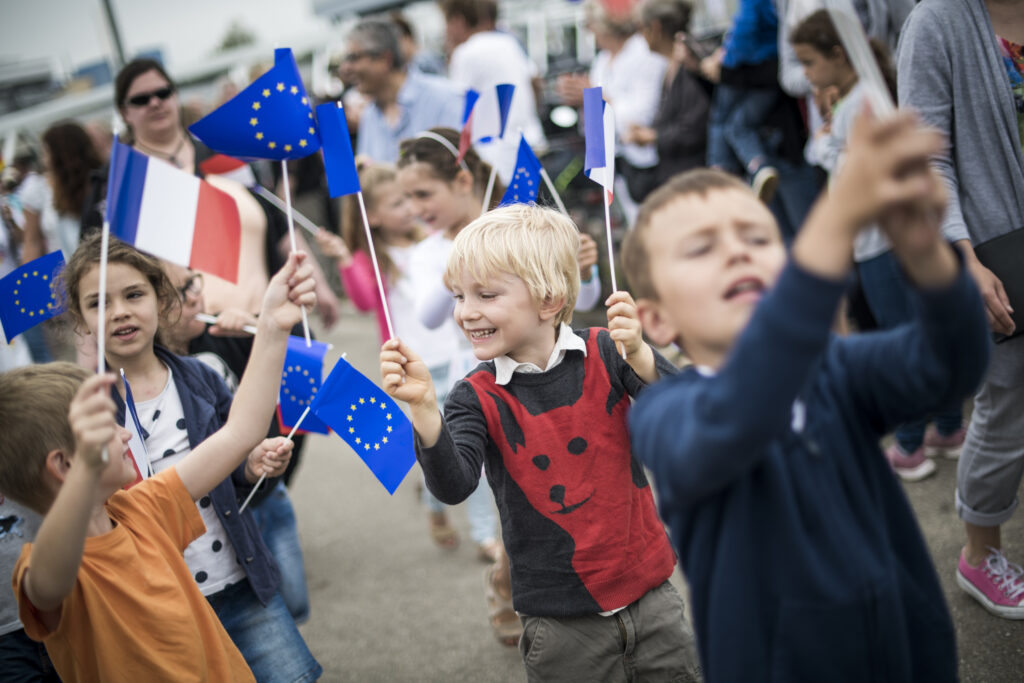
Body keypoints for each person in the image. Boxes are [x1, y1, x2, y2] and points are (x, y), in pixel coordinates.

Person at [621, 108, 990, 680]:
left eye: (757, 237)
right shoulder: (665, 415)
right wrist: (837, 218)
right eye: (701, 248)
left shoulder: (833, 369)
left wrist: (926, 255)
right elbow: (739, 414)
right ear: (658, 320)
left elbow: (949, 368)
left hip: (911, 656)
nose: (738, 252)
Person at [380, 204, 702, 681]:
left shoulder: (608, 351)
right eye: (458, 296)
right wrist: (425, 409)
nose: (465, 312)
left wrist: (641, 356)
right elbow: (453, 485)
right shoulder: (474, 395)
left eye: (485, 294)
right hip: (559, 623)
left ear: (549, 300)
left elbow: (682, 416)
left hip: (652, 598)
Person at [0, 250, 317, 682]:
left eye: (133, 294)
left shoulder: (143, 507)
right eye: (106, 431)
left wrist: (273, 326)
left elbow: (240, 432)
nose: (127, 433)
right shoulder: (53, 570)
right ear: (67, 464)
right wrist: (87, 475)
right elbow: (49, 582)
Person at [791, 10, 962, 481]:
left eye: (808, 62)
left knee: (898, 339)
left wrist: (828, 138)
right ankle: (947, 426)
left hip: (880, 246)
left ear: (838, 55)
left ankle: (910, 443)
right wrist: (827, 127)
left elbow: (848, 175)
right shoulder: (851, 99)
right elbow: (827, 156)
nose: (805, 73)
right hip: (877, 245)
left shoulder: (863, 102)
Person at [897, 0, 1024, 619]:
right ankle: (979, 553)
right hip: (993, 255)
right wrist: (964, 260)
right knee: (1007, 401)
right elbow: (926, 156)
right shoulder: (937, 22)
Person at [159, 262, 312, 624]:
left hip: (263, 488)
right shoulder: (157, 373)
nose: (197, 296)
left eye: (194, 282)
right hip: (219, 510)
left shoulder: (221, 335)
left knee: (293, 597)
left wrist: (253, 335)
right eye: (182, 293)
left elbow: (293, 357)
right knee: (257, 604)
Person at [557, 0, 667, 211]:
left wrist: (592, 97)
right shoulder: (602, 61)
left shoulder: (644, 52)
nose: (589, 31)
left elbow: (642, 115)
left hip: (646, 162)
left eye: (590, 24)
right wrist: (579, 99)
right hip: (614, 162)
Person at [440, 0, 548, 170]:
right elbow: (535, 82)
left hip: (496, 157)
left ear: (458, 21)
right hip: (530, 142)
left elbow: (458, 106)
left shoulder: (465, 52)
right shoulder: (509, 42)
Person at [345, 18, 465, 163]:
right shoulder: (370, 115)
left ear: (384, 59)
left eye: (354, 58)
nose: (347, 68)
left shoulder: (443, 97)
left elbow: (461, 163)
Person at [702, 0, 782, 201]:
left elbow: (746, 25)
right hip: (771, 68)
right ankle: (759, 166)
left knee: (720, 119)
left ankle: (720, 173)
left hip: (746, 67)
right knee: (739, 125)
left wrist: (725, 62)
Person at [630, 0, 711, 185]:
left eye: (641, 28)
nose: (640, 36)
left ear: (655, 28)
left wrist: (653, 136)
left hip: (698, 178)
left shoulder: (692, 62)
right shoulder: (669, 66)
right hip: (680, 177)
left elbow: (695, 127)